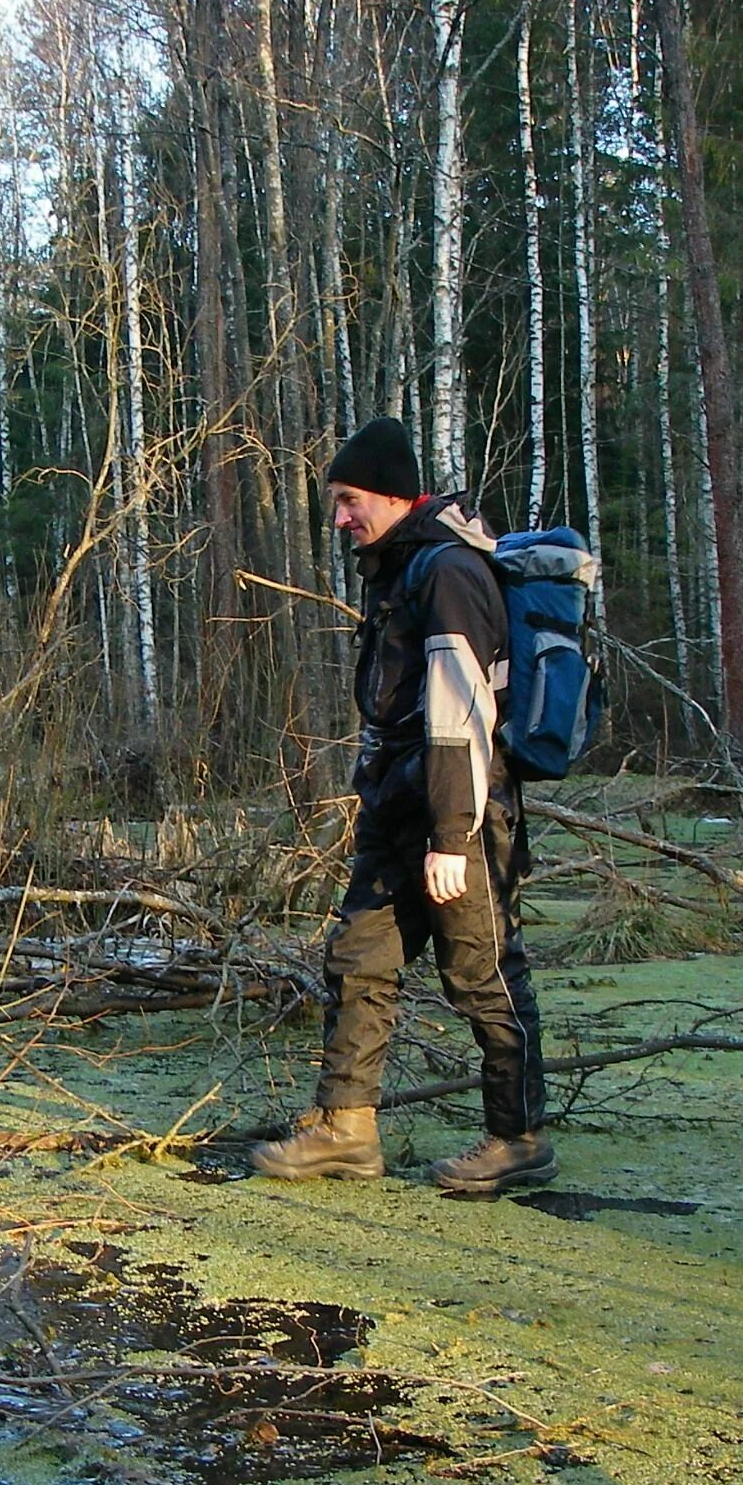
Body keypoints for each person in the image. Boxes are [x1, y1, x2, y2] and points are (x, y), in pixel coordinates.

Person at [252, 416, 552, 1192]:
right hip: (397, 809)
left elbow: (460, 711)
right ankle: (346, 1129)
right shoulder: (400, 569)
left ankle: (518, 1138)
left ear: (391, 494)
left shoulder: (447, 572)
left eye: (350, 501)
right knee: (361, 959)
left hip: (459, 816)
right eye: (337, 504)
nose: (342, 518)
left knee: (481, 972)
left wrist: (453, 835)